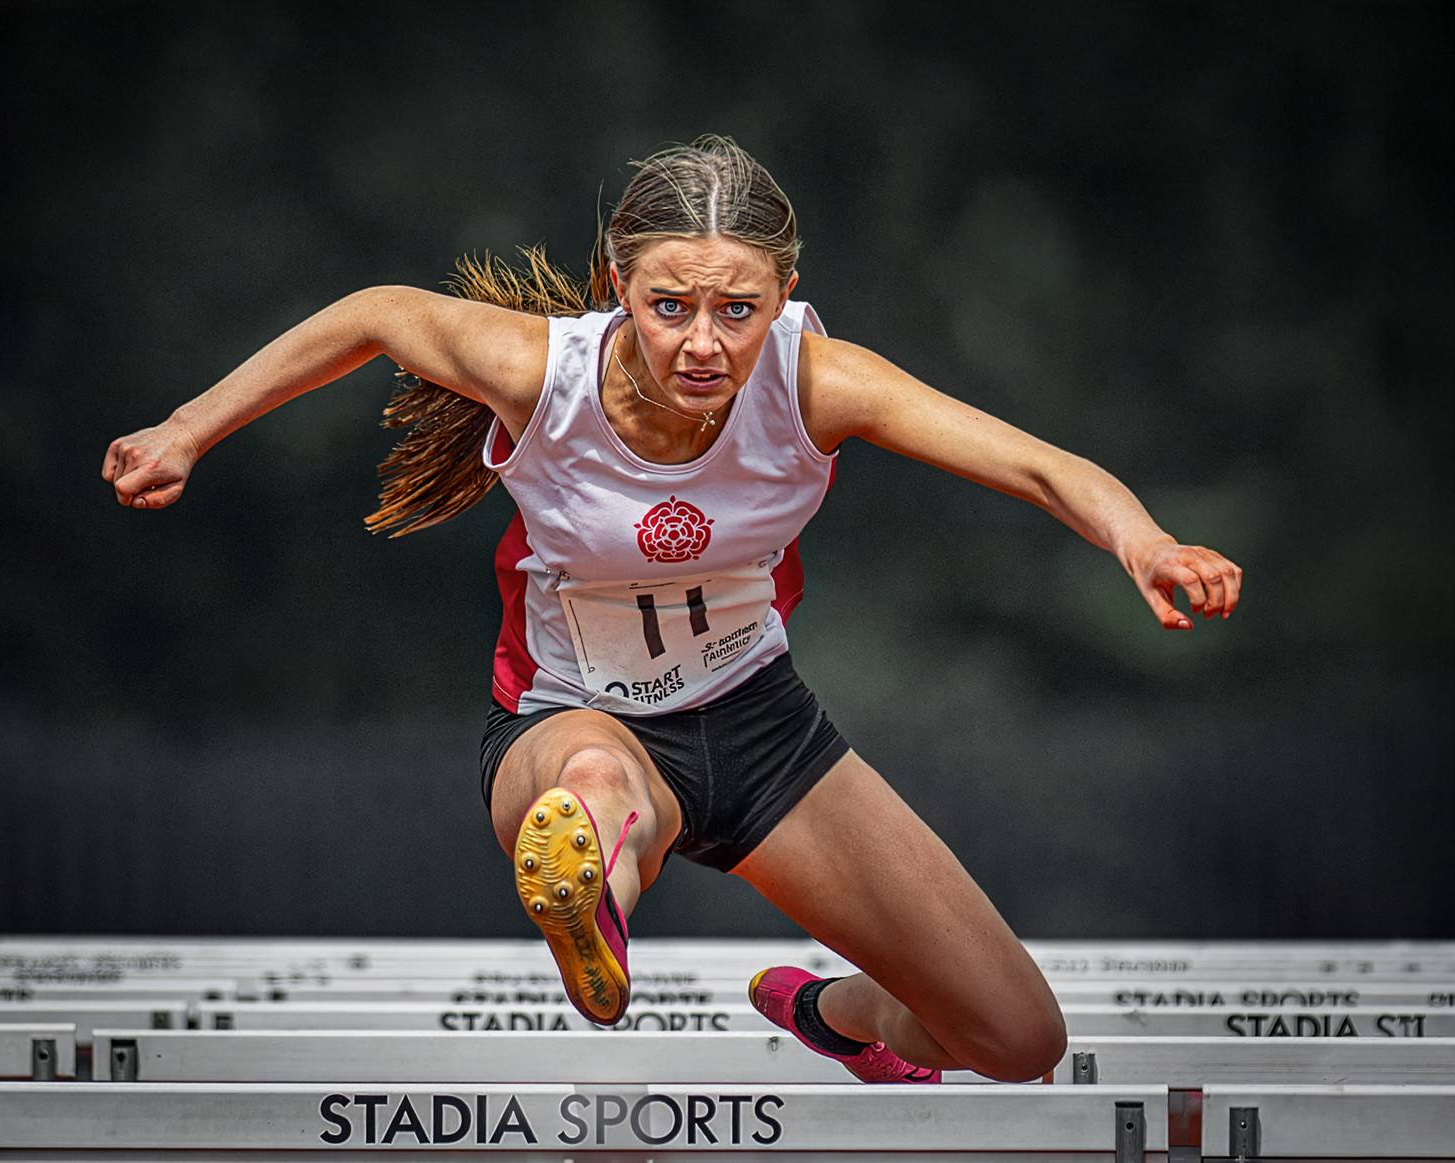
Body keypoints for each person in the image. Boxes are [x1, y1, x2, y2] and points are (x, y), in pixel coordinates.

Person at [102, 134, 1242, 1085]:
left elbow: (1040, 466)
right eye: (671, 306)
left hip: (760, 726)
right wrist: (188, 428)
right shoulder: (538, 372)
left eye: (738, 309)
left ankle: (841, 1012)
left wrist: (1140, 537)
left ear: (784, 295)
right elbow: (376, 313)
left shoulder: (818, 382)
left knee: (1019, 1039)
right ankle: (591, 892)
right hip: (569, 716)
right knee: (604, 788)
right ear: (618, 281)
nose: (705, 342)